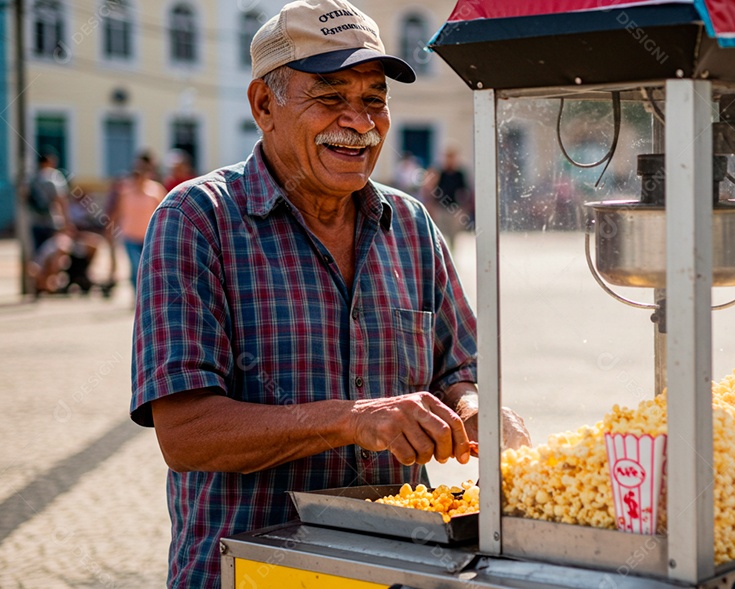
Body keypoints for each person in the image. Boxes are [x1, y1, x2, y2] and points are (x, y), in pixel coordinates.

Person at [128, 2, 530, 587]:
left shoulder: (412, 226)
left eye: (373, 99)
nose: (360, 121)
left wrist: (472, 411)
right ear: (265, 105)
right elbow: (186, 433)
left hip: (395, 570)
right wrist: (351, 420)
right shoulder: (197, 220)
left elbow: (458, 372)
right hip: (249, 572)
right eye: (330, 96)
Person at [108, 151, 166, 291]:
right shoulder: (125, 191)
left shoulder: (156, 190)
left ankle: (147, 294)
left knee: (147, 266)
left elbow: (163, 212)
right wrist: (110, 227)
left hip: (149, 236)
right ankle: (137, 295)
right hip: (130, 235)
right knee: (135, 265)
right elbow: (118, 211)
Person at [422, 146, 473, 250]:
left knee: (453, 235)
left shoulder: (459, 174)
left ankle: (452, 254)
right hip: (440, 207)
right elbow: (432, 189)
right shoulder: (440, 172)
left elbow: (465, 190)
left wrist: (464, 207)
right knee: (440, 233)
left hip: (455, 208)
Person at [27, 151, 72, 253]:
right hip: (52, 221)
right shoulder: (54, 177)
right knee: (53, 252)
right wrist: (67, 221)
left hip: (35, 221)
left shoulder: (33, 179)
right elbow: (60, 199)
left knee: (39, 253)